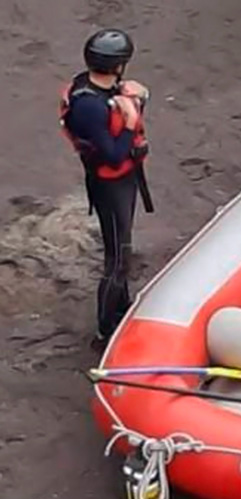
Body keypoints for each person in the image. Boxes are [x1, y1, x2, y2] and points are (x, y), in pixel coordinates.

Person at [59, 29, 151, 349]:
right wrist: (128, 119)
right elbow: (112, 155)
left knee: (122, 248)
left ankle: (121, 307)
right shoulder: (89, 107)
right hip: (110, 186)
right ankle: (105, 330)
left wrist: (137, 100)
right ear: (117, 65)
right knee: (117, 260)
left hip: (124, 181)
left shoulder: (96, 86)